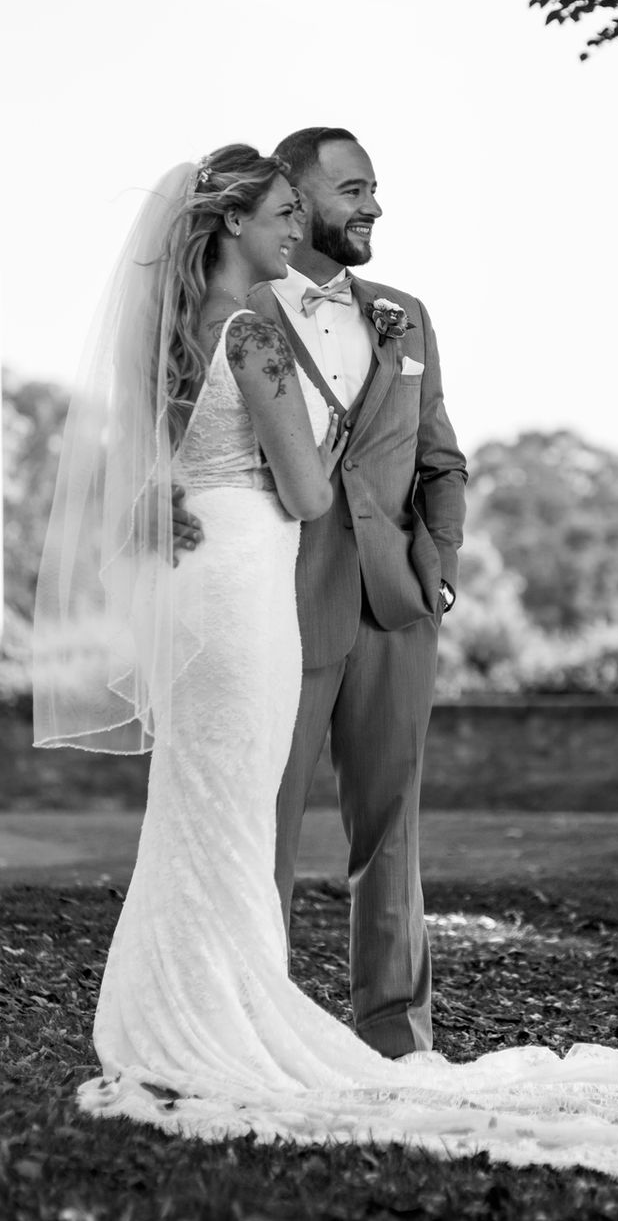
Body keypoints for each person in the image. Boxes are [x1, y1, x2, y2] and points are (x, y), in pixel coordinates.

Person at [31, 147, 618, 1182]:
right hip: (265, 578)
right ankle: (240, 1014)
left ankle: (282, 1015)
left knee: (282, 807)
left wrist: (428, 549)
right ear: (253, 217)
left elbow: (411, 453)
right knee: (239, 799)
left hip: (270, 587)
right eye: (297, 209)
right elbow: (306, 492)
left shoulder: (260, 324)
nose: (315, 225)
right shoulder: (255, 329)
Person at [171, 124, 466, 1059]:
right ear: (292, 200)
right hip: (280, 595)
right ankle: (261, 1019)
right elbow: (172, 433)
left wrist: (441, 561)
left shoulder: (406, 313)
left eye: (373, 186)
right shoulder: (238, 311)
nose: (370, 203)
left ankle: (397, 1036)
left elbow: (442, 456)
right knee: (266, 812)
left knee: (393, 828)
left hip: (397, 601)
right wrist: (156, 493)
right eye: (348, 189)